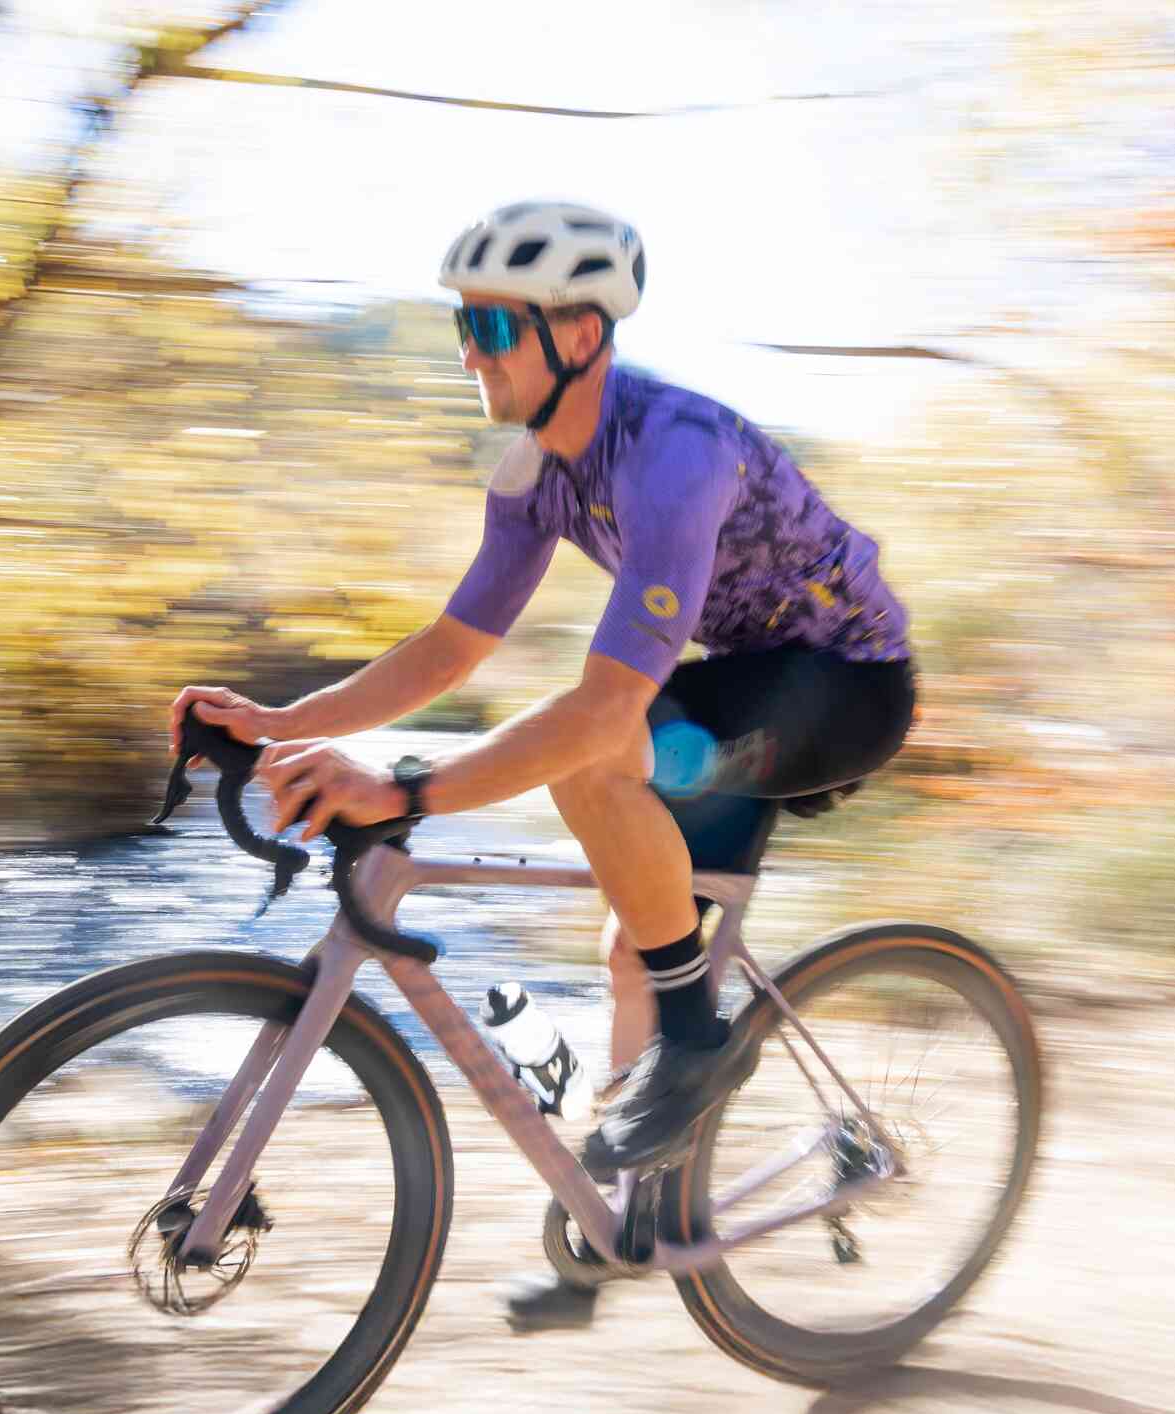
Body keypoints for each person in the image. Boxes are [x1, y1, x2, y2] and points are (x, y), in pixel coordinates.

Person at [167, 201, 916, 1318]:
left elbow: (607, 707)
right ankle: (626, 1235)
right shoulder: (532, 472)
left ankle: (700, 1045)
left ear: (581, 337)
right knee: (638, 933)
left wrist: (402, 788)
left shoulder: (678, 455)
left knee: (594, 756)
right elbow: (451, 647)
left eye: (493, 327)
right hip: (740, 676)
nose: (470, 350)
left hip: (845, 682)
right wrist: (279, 722)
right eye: (460, 325)